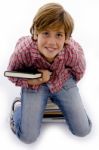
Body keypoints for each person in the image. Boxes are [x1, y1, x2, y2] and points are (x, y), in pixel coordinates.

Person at [7, 3, 92, 144]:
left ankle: (67, 105)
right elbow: (11, 73)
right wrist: (32, 81)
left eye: (59, 35)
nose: (52, 42)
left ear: (66, 38)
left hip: (63, 81)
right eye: (46, 33)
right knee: (27, 137)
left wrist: (68, 90)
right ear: (36, 33)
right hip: (34, 84)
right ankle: (19, 111)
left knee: (83, 130)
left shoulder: (72, 52)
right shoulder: (24, 50)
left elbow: (79, 71)